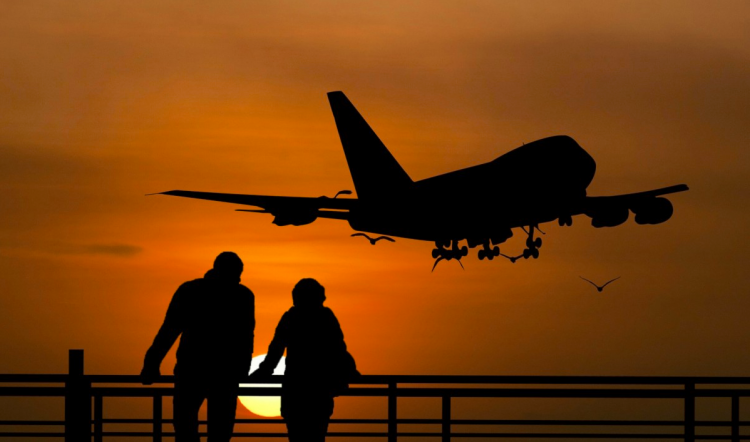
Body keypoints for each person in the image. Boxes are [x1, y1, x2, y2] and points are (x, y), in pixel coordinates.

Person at [140, 252, 255, 442]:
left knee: (185, 424)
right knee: (219, 429)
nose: (238, 277)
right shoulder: (242, 296)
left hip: (192, 368)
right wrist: (243, 368)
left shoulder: (190, 290)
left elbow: (169, 330)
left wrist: (152, 363)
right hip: (223, 372)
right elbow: (245, 336)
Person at [251, 278, 359, 442]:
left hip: (296, 388)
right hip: (320, 388)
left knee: (296, 437)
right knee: (317, 435)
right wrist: (350, 371)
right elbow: (338, 348)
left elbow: (276, 349)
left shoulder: (291, 318)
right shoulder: (326, 317)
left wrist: (264, 372)